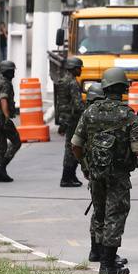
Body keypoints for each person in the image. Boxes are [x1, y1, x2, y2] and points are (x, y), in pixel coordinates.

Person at [72, 67, 138, 274]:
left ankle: (100, 255)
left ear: (104, 87)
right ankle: (108, 264)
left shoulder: (90, 112)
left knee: (100, 212)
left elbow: (75, 145)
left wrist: (86, 166)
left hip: (96, 173)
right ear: (123, 88)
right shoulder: (128, 115)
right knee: (116, 214)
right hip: (118, 175)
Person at [57, 57, 85, 187]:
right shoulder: (72, 83)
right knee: (72, 148)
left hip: (65, 118)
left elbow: (60, 103)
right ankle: (67, 177)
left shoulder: (63, 81)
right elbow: (78, 104)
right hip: (73, 119)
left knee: (71, 147)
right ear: (74, 69)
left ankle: (71, 176)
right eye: (79, 68)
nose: (81, 70)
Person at [0, 61, 21, 182]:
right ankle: (1, 167)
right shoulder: (6, 84)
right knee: (16, 142)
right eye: (12, 70)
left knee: (1, 146)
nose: (14, 73)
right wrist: (7, 117)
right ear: (7, 72)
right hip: (3, 118)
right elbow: (3, 99)